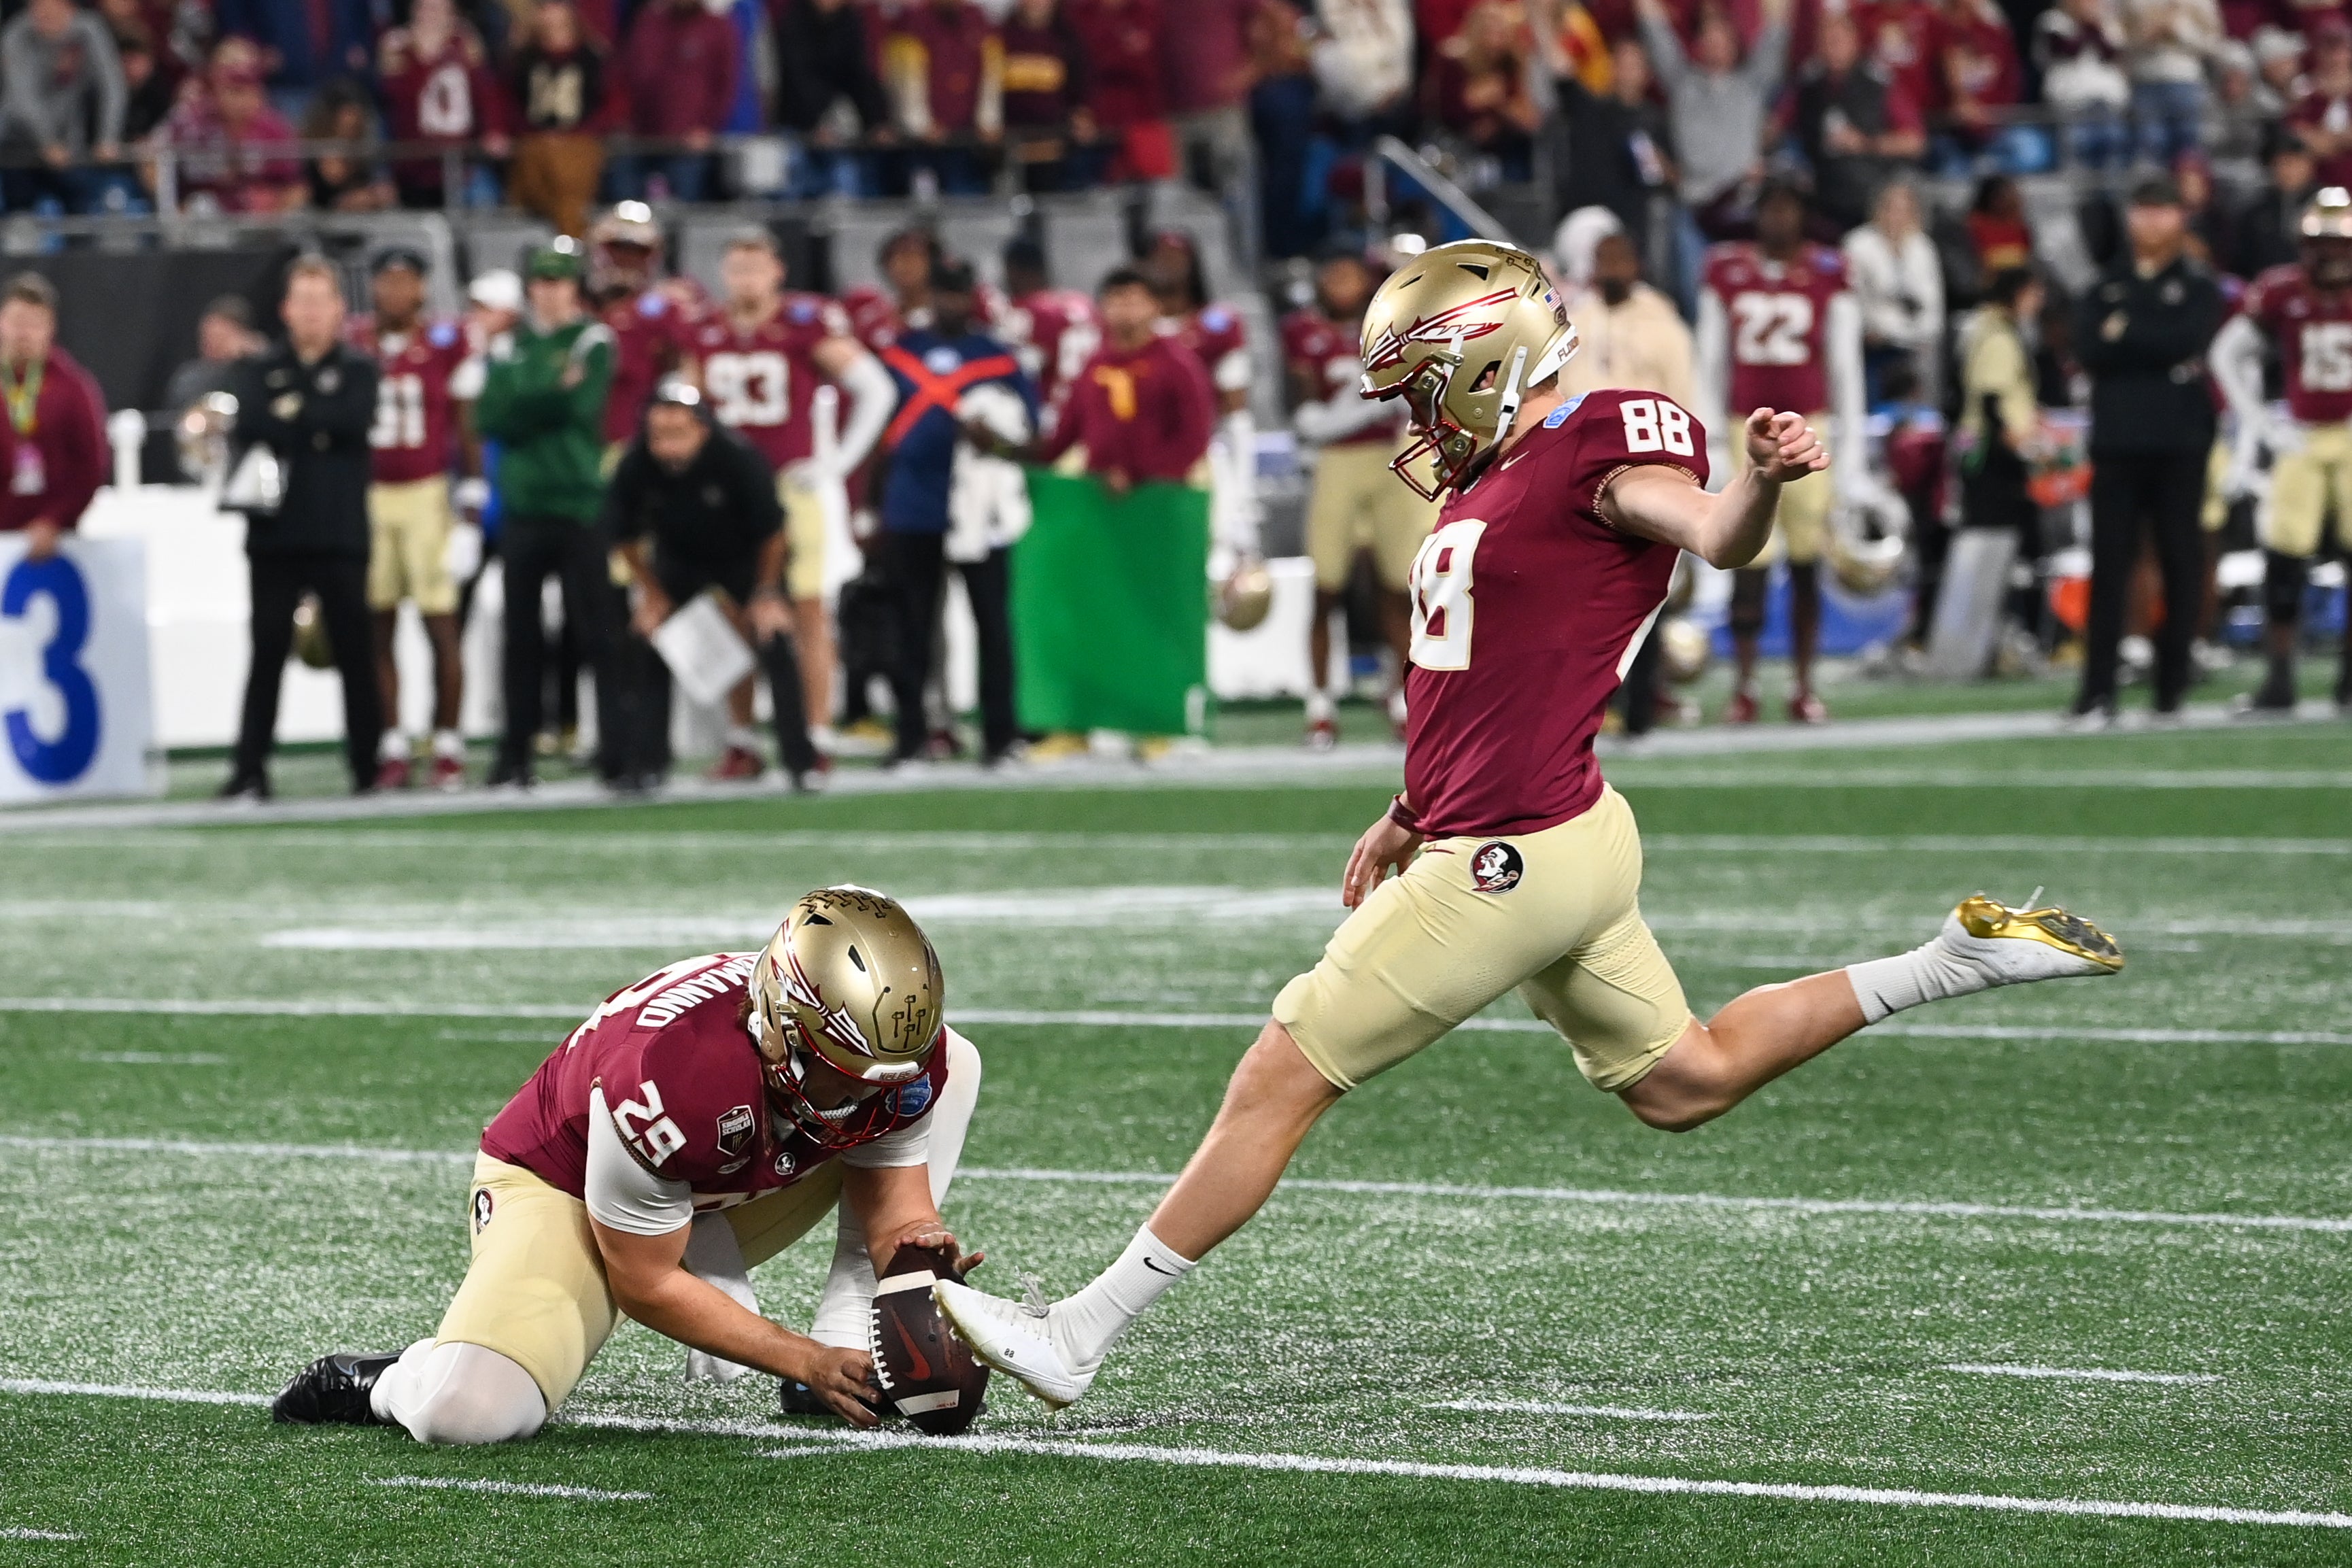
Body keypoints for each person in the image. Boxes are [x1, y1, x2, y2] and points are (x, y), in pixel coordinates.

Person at [930, 239, 2125, 1410]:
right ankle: (1951, 959)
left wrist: (1758, 481)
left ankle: (1075, 1334)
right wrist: (1407, 806)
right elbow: (1485, 669)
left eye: (1414, 386)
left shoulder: (1589, 445)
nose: (1410, 416)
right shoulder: (1493, 471)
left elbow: (1708, 530)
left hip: (1508, 857)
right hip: (1563, 834)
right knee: (1683, 1080)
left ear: (1479, 359)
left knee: (1279, 1073)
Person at [270, 889, 987, 1442]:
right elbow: (643, 1281)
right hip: (566, 1187)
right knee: (468, 1414)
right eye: (845, 1074)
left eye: (883, 1076)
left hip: (713, 1173)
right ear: (780, 1026)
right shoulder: (672, 1072)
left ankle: (847, 1336)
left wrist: (920, 1249)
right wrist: (795, 1355)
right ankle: (386, 1378)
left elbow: (895, 1202)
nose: (867, 1096)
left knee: (960, 1064)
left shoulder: (888, 1063)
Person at [677, 229, 897, 771]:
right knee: (732, 612)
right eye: (736, 266)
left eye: (756, 265)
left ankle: (815, 735)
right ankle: (742, 739)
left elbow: (876, 388)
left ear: (778, 271)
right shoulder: (705, 331)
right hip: (726, 494)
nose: (746, 277)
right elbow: (682, 408)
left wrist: (838, 462)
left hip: (789, 490)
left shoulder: (804, 324)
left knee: (807, 612)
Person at [1697, 179, 1863, 725]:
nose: (1777, 219)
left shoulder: (1826, 272)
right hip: (1744, 425)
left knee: (1806, 560)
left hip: (1807, 425)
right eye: (1769, 208)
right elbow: (1710, 362)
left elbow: (1844, 367)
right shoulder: (1725, 270)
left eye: (1787, 207)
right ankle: (1744, 683)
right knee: (1748, 564)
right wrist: (1714, 441)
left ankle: (1803, 682)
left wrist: (1848, 446)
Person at [476, 241, 641, 789]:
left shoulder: (593, 340)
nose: (549, 292)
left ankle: (617, 752)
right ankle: (515, 754)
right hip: (524, 505)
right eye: (542, 282)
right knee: (521, 638)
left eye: (560, 281)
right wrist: (548, 395)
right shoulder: (509, 346)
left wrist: (529, 402)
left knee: (598, 634)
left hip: (579, 502)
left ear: (575, 288)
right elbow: (492, 417)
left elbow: (581, 407)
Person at [219, 257, 384, 802]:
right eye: (303, 301)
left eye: (322, 301)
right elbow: (253, 420)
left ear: (339, 309)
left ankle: (366, 765)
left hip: (339, 532)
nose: (312, 313)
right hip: (276, 535)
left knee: (355, 653)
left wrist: (294, 415)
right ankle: (249, 768)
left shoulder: (359, 369)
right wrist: (312, 420)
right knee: (266, 651)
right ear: (286, 309)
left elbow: (349, 420)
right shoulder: (256, 368)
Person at [609, 385, 822, 788]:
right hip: (679, 561)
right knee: (647, 637)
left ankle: (801, 761)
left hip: (745, 559)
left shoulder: (738, 458)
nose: (668, 448)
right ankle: (646, 763)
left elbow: (773, 532)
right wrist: (652, 593)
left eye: (678, 434)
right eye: (659, 437)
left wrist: (766, 593)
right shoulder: (635, 464)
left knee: (774, 635)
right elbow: (622, 536)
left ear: (703, 430)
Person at [2070, 174, 2223, 726]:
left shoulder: (2197, 284)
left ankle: (2171, 685)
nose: (2151, 222)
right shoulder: (2103, 284)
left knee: (2181, 559)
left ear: (2179, 218)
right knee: (2108, 564)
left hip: (2180, 438)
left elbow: (2182, 339)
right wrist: (2144, 343)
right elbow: (2087, 346)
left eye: (2162, 211)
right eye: (2143, 211)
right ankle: (2096, 690)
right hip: (2115, 438)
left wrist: (2125, 336)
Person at [871, 260, 1032, 766]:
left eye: (960, 294)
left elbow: (1032, 435)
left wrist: (996, 441)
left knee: (992, 625)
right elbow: (878, 434)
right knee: (912, 628)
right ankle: (912, 734)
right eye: (943, 293)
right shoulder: (899, 352)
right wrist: (870, 506)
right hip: (912, 504)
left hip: (980, 511)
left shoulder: (997, 357)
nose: (951, 304)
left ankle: (1000, 735)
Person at [1284, 243, 1434, 749]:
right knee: (1325, 587)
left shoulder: (1391, 328)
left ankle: (1400, 700)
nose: (1341, 286)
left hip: (1389, 459)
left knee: (1399, 588)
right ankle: (1319, 707)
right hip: (1338, 464)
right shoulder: (1305, 331)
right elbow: (1304, 407)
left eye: (1350, 276)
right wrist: (1339, 419)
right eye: (1334, 275)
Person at [2212, 188, 2352, 717]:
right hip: (2304, 432)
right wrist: (2258, 422)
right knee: (2283, 559)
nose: (2330, 254)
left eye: (2339, 242)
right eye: (2320, 242)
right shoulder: (2281, 290)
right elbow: (2225, 355)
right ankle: (2279, 681)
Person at [1559, 229, 1699, 736]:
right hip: (1581, 473)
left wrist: (1683, 473)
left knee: (1641, 593)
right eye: (1602, 259)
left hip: (1644, 469)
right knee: (1580, 598)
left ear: (1637, 264)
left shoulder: (1663, 325)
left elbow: (1683, 401)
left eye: (1619, 257)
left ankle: (1642, 704)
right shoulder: (1574, 321)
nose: (1611, 268)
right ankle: (1589, 709)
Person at [350, 248, 475, 791]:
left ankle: (447, 743)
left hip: (426, 493)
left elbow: (466, 422)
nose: (397, 293)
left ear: (423, 289)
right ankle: (393, 742)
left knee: (440, 625)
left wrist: (470, 498)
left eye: (406, 282)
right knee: (378, 627)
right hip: (370, 494)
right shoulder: (355, 342)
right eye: (388, 282)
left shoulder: (447, 342)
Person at [1637, 0, 1789, 271]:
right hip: (1694, 207)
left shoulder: (1752, 84)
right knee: (1693, 293)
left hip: (1740, 211)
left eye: (1723, 39)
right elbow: (1655, 32)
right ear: (1700, 45)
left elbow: (1777, 33)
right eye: (1710, 38)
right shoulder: (1683, 84)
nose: (1716, 45)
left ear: (1735, 44)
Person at [1142, 230, 1258, 564]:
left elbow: (1236, 413)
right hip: (1145, 457)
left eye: (1177, 257)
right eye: (1161, 257)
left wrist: (1243, 490)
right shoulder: (1134, 328)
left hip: (1202, 452)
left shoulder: (1218, 323)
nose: (1169, 266)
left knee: (1211, 556)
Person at [1954, 267, 2047, 636]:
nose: (2038, 303)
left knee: (1992, 538)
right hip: (1993, 454)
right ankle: (2004, 632)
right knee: (2005, 541)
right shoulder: (1998, 336)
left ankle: (1992, 631)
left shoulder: (1982, 328)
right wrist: (2017, 442)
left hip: (1980, 448)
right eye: (2034, 293)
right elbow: (1991, 398)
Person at [1786, 10, 1924, 235]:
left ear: (1855, 42)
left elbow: (1915, 142)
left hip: (1872, 191)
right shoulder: (1807, 86)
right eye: (1827, 40)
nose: (1833, 46)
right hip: (1822, 192)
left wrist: (1865, 143)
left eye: (1839, 40)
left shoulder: (1879, 83)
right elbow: (1775, 127)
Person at [0, 274, 105, 568]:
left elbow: (90, 466)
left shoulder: (73, 388)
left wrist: (54, 521)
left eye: (34, 323)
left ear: (50, 328)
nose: (24, 333)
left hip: (54, 543)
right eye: (17, 321)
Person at [0, 0, 128, 214]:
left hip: (70, 144)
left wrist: (108, 137)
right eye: (37, 7)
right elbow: (22, 99)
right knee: (20, 216)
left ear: (68, 7)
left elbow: (112, 86)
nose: (42, 13)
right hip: (17, 141)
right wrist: (48, 142)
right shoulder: (15, 35)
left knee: (81, 209)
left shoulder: (89, 30)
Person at [377, 0, 507, 209]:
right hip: (416, 164)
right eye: (426, 7)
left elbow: (487, 95)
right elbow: (397, 107)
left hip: (463, 163)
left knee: (486, 203)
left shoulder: (465, 45)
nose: (432, 15)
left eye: (439, 8)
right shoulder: (399, 48)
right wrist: (418, 58)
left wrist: (494, 130)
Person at [505, 0, 617, 237]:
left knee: (568, 179)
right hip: (534, 144)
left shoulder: (593, 59)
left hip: (580, 143)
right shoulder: (524, 60)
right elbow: (506, 101)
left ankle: (569, 243)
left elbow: (615, 104)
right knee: (539, 163)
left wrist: (582, 132)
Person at [156, 41, 303, 214]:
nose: (241, 100)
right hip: (202, 226)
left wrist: (276, 217)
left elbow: (297, 189)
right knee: (202, 206)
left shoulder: (275, 129)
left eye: (248, 89)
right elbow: (152, 163)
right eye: (234, 90)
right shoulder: (188, 122)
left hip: (262, 229)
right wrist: (174, 215)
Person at [616, 0, 738, 201]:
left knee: (686, 202)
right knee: (622, 193)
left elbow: (725, 86)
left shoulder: (717, 27)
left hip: (689, 142)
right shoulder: (649, 23)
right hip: (642, 139)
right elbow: (630, 74)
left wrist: (707, 128)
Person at [878, 0, 1002, 195]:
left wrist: (988, 121)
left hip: (966, 140)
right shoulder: (912, 22)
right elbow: (904, 80)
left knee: (968, 202)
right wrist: (921, 125)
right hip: (922, 145)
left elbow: (990, 77)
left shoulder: (977, 20)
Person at [774, 0, 892, 199]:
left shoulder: (850, 23)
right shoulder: (793, 23)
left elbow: (859, 77)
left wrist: (877, 122)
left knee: (847, 179)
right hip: (797, 125)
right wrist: (816, 125)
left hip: (836, 127)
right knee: (789, 184)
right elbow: (797, 79)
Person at [1843, 179, 1943, 406]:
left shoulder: (1922, 247)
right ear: (1879, 209)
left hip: (1914, 346)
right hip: (1874, 345)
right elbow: (1854, 298)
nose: (1896, 215)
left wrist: (1926, 333)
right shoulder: (1859, 244)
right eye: (1891, 208)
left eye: (1904, 209)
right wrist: (1870, 328)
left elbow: (1933, 300)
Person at [997, 235, 1101, 414]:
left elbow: (1023, 369)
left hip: (1057, 411)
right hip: (1096, 404)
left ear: (1014, 270)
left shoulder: (1030, 311)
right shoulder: (1082, 302)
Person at [2034, 0, 2132, 170]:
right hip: (2070, 101)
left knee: (2113, 146)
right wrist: (2087, 25)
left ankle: (2110, 195)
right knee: (2076, 151)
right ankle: (2078, 195)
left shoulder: (2109, 24)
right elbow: (2067, 49)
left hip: (2106, 101)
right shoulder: (2053, 21)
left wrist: (2096, 26)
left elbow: (2110, 53)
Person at [2121, 0, 2218, 167]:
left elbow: (2214, 43)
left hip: (2186, 82)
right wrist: (2147, 35)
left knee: (2189, 152)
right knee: (2150, 147)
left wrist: (2179, 31)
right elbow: (2118, 38)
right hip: (2146, 82)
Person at [2232, 129, 2319, 281]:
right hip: (2266, 292)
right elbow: (2240, 264)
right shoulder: (2256, 212)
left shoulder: (2327, 205)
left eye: (2293, 162)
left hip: (2317, 291)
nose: (2287, 171)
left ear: (2309, 164)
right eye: (2279, 164)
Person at [163, 294, 262, 416]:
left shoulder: (257, 367)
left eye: (219, 337)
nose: (211, 344)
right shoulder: (190, 376)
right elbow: (184, 407)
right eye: (206, 336)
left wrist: (254, 356)